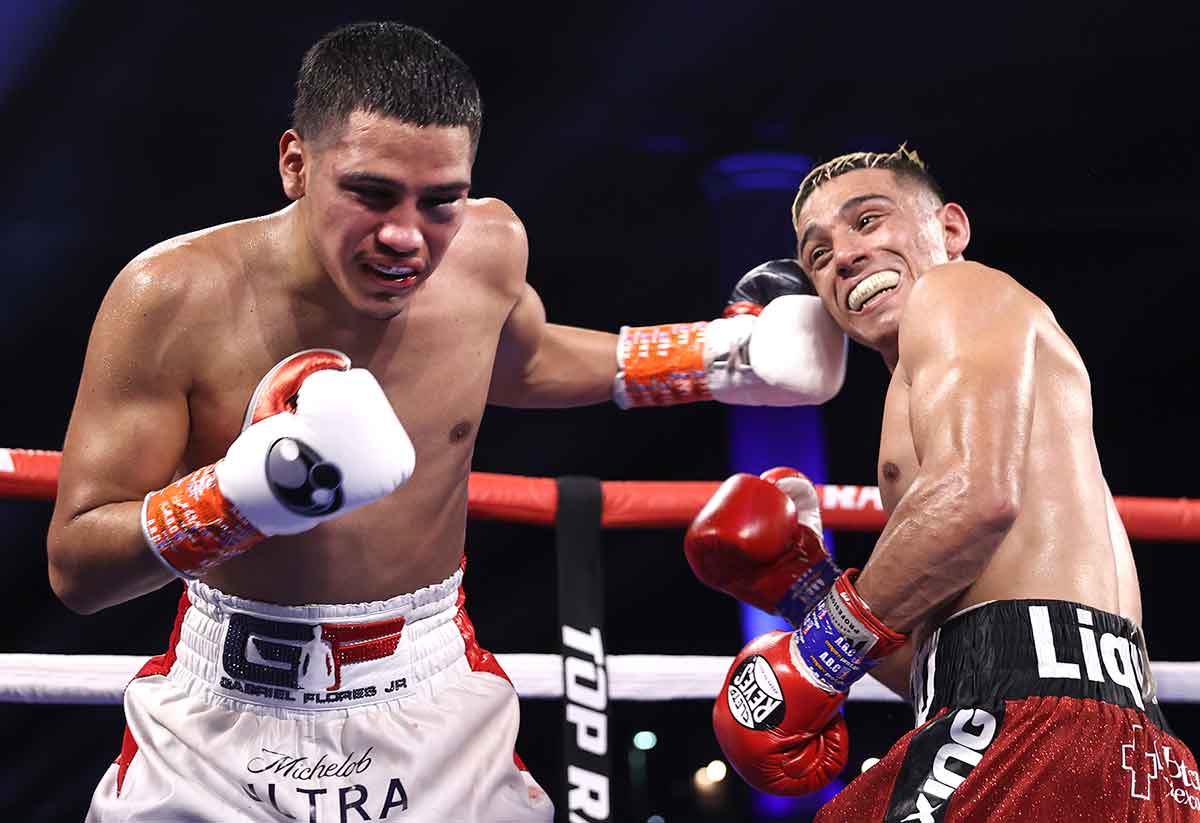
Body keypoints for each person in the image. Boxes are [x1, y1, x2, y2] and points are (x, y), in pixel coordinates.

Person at [45, 21, 847, 823]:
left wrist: (719, 357)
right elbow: (78, 567)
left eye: (440, 202)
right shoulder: (171, 297)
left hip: (432, 692)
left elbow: (523, 359)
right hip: (223, 715)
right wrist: (235, 501)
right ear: (296, 163)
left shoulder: (488, 248)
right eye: (370, 193)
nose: (405, 237)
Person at [684, 145, 1200, 821]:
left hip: (1041, 735)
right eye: (817, 253)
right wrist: (802, 584)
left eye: (867, 221)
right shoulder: (922, 397)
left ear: (950, 229)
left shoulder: (957, 291)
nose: (844, 255)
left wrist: (813, 659)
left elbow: (976, 499)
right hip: (1092, 743)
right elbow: (941, 667)